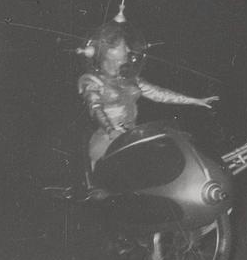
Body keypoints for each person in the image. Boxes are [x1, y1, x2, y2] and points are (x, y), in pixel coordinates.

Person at [77, 19, 219, 175]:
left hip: (130, 138)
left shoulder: (130, 80)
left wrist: (195, 101)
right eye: (124, 46)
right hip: (107, 143)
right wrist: (111, 131)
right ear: (109, 52)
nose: (128, 49)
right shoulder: (92, 81)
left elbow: (159, 93)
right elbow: (95, 108)